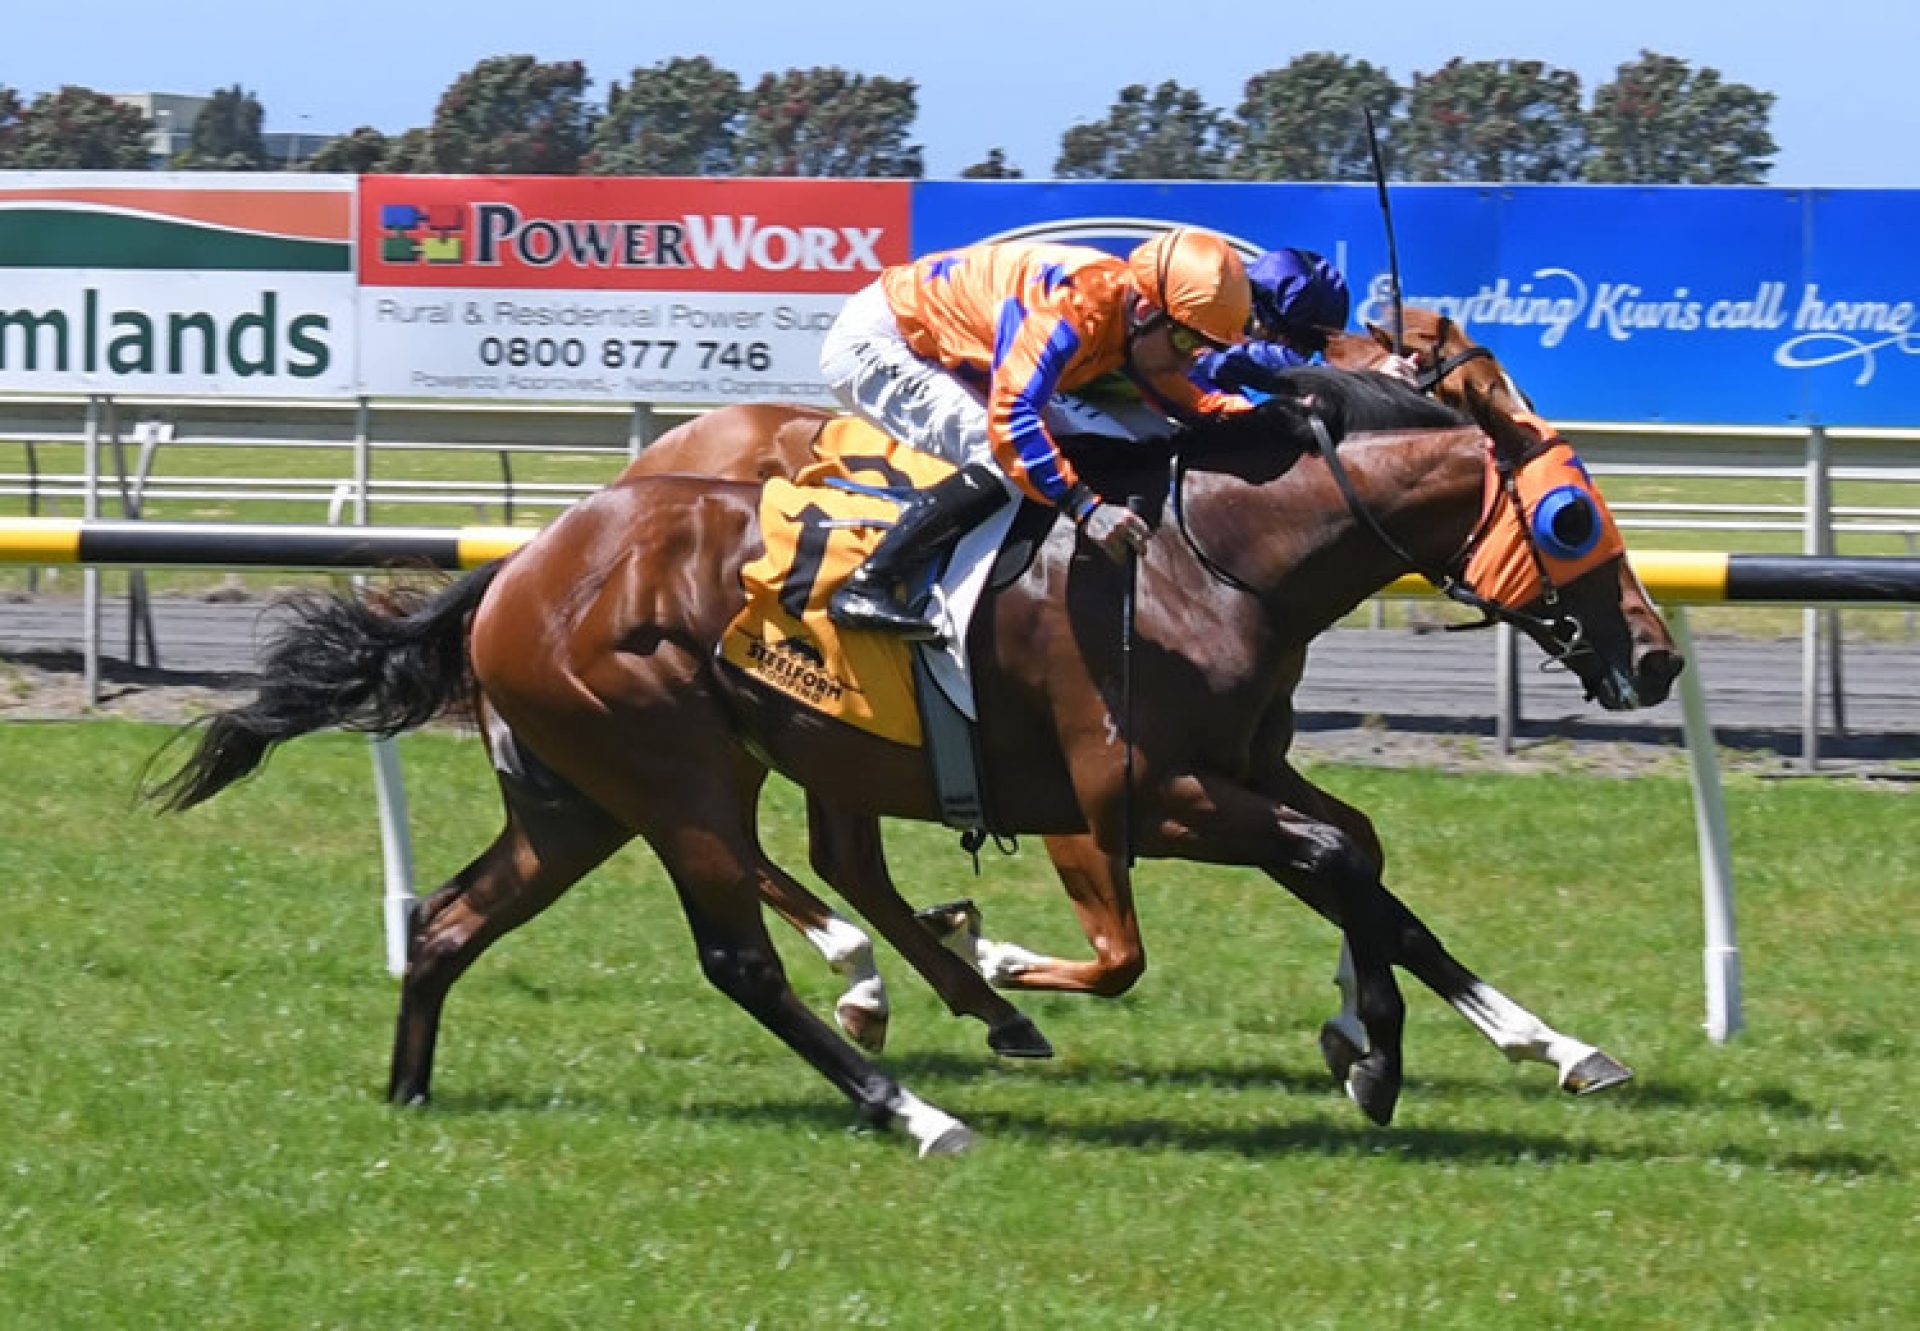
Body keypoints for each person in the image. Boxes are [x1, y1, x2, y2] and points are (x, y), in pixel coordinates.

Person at [818, 227, 1255, 639]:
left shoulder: (1131, 312)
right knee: (1000, 454)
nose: (1190, 362)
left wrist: (1246, 415)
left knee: (1132, 436)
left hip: (953, 346)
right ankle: (868, 584)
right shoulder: (1072, 309)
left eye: (1205, 350)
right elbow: (1012, 415)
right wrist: (1085, 506)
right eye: (1184, 344)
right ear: (1146, 311)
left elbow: (1178, 392)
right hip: (882, 339)